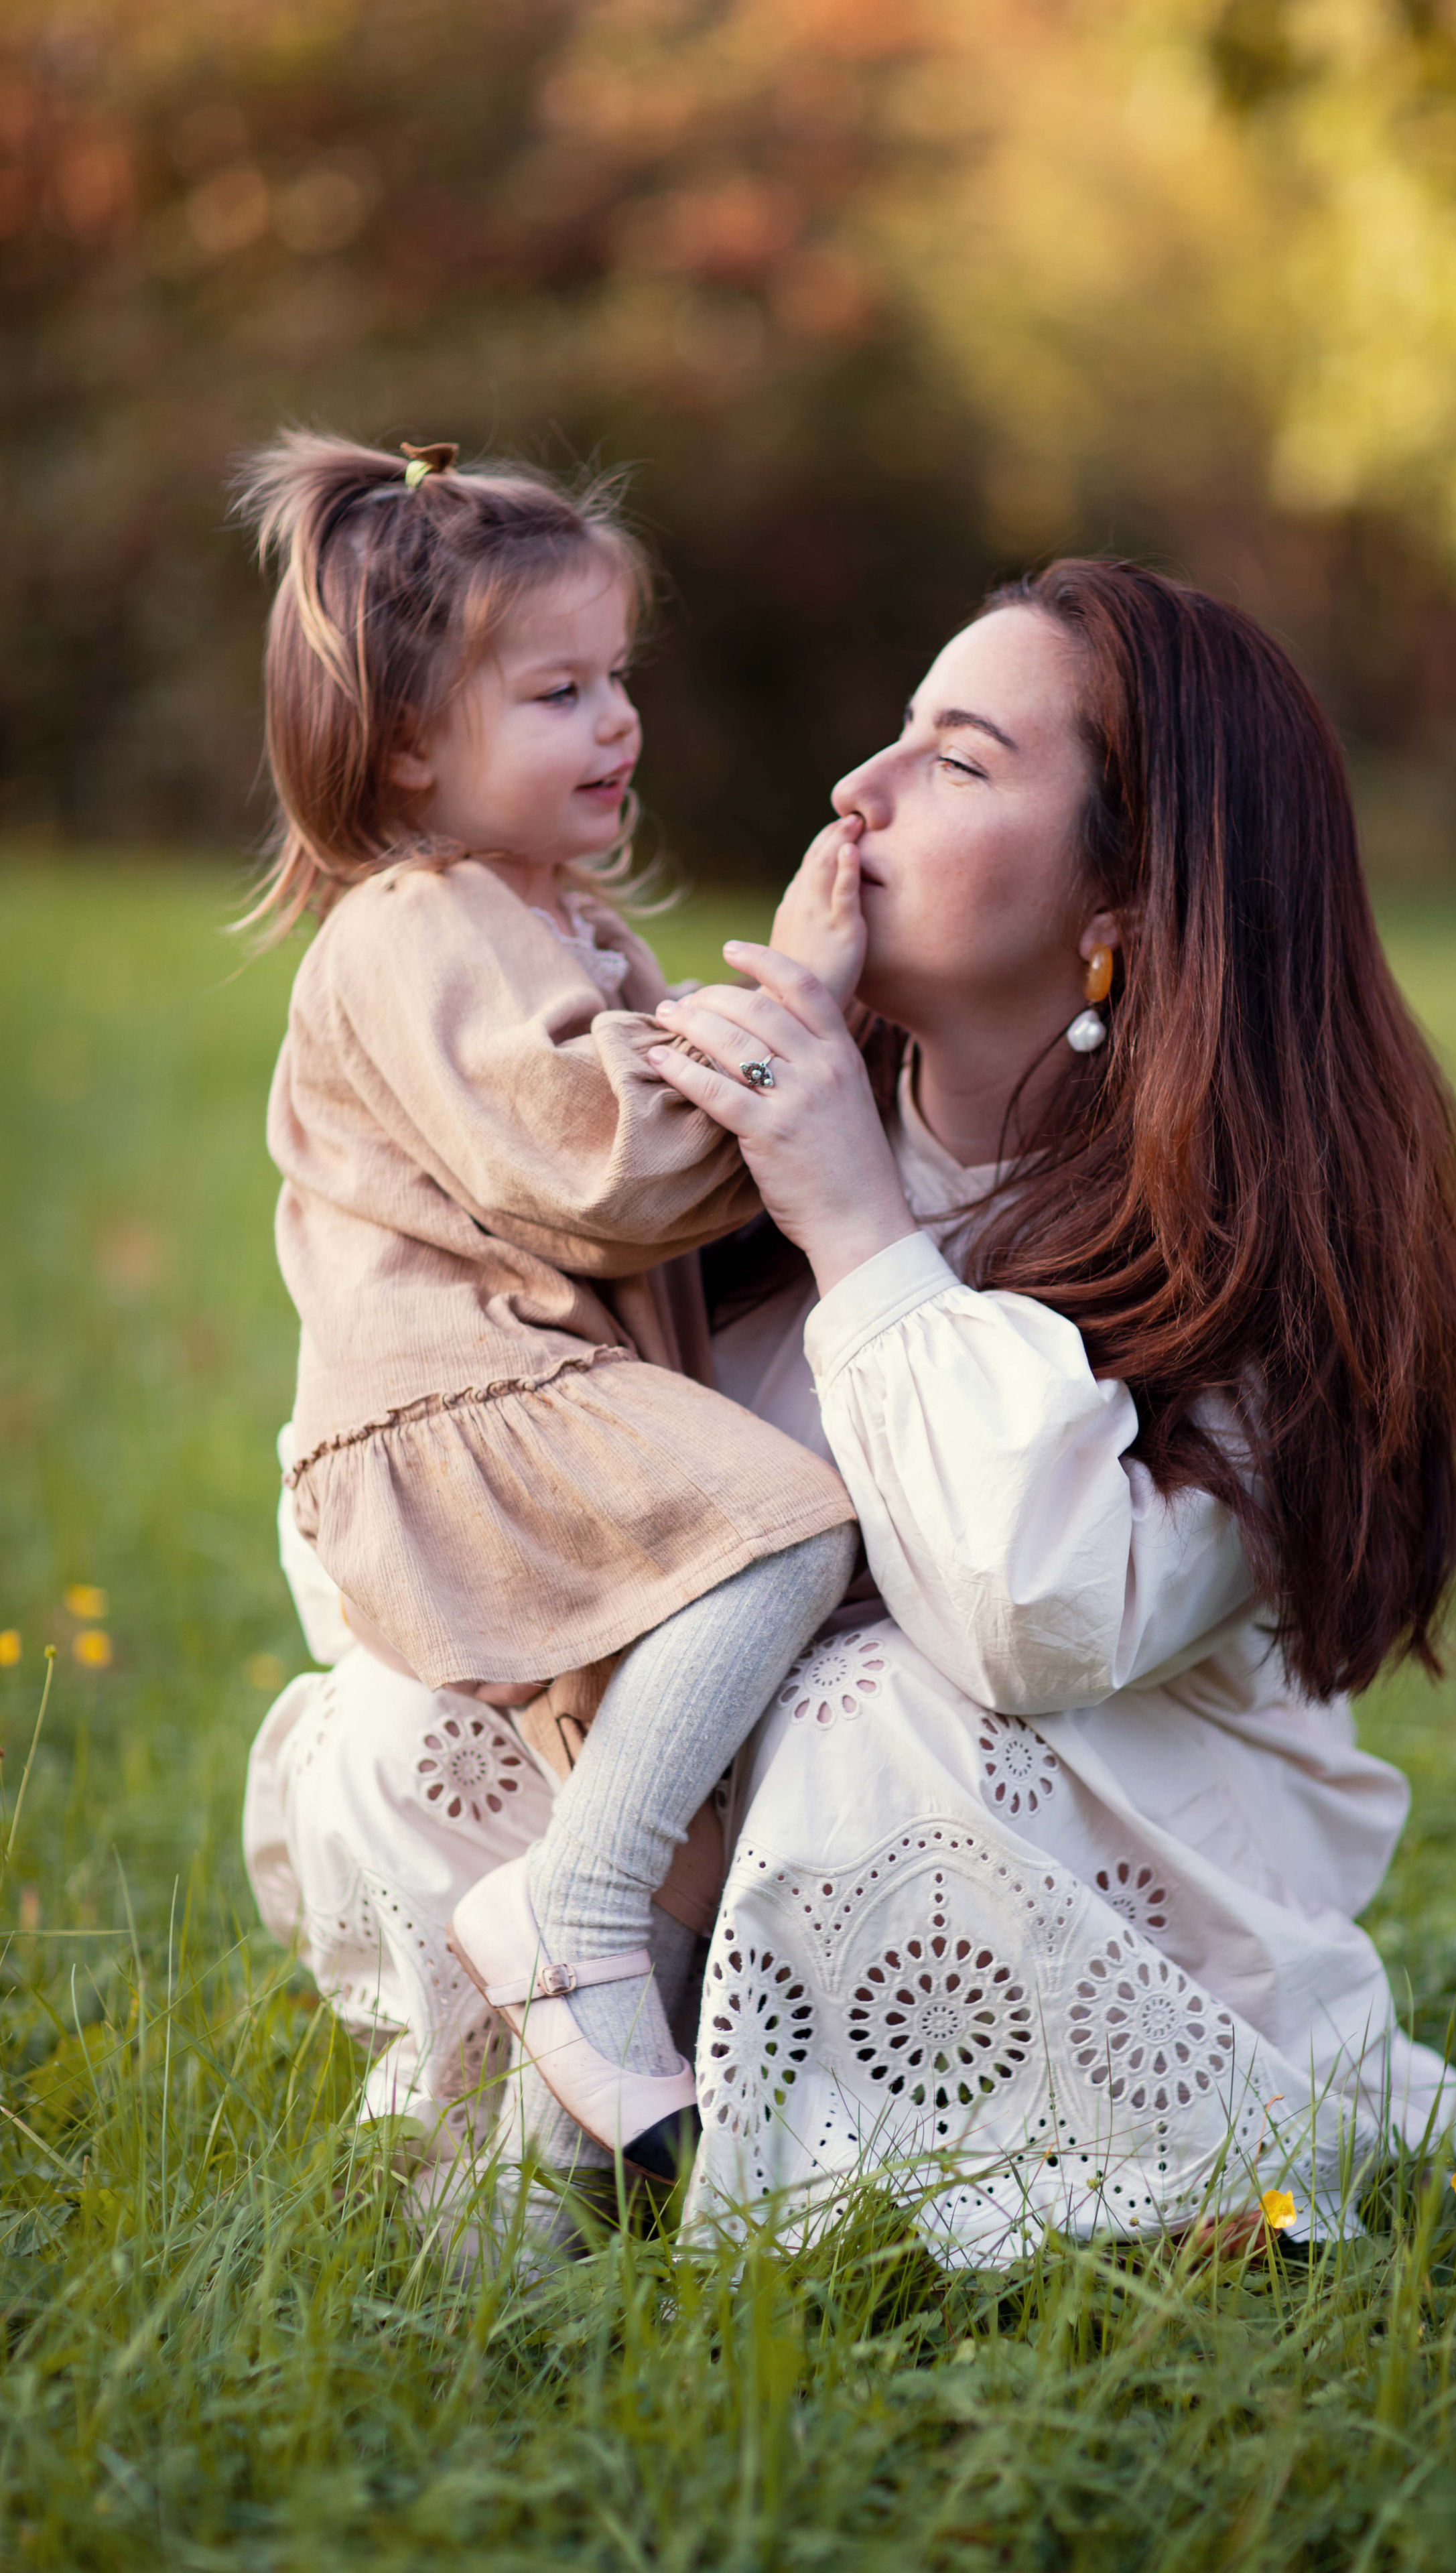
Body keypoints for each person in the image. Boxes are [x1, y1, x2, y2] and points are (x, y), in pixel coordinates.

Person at [644, 559, 1456, 2261]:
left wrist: (857, 1227)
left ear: (1124, 902)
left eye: (958, 760)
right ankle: (612, 2108)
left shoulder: (1268, 1254)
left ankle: (1046, 2177)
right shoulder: (737, 1148)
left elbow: (1031, 1617)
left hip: (1127, 1899)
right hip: (716, 1867)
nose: (857, 791)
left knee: (866, 1707)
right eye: (896, 732)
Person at [239, 430, 858, 2184]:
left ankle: (511, 2249)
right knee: (786, 1535)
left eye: (619, 679)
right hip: (467, 1403)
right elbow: (602, 1162)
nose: (618, 723)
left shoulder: (554, 921)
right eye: (560, 691)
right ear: (409, 741)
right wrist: (801, 1017)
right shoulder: (421, 920)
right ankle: (562, 1914)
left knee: (672, 1848)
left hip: (537, 1400)